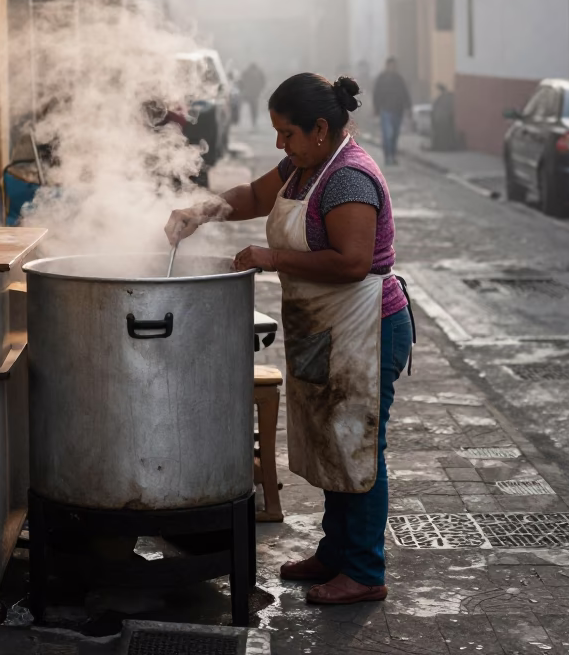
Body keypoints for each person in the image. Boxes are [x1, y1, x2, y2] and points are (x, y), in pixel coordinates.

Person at [166, 73, 413, 606]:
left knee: (358, 446)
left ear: (320, 129)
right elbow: (256, 195)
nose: (280, 143)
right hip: (322, 327)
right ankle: (336, 552)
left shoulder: (348, 177)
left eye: (288, 133)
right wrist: (201, 211)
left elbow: (352, 262)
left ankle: (365, 571)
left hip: (366, 330)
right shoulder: (304, 167)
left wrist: (270, 258)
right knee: (329, 437)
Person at [373, 57, 412, 165]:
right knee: (387, 134)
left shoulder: (399, 79)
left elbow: (405, 93)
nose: (392, 68)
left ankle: (393, 155)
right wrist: (376, 109)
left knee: (395, 134)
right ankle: (388, 156)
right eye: (390, 65)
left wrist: (408, 107)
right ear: (387, 66)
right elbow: (376, 94)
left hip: (398, 110)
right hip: (385, 110)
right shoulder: (381, 79)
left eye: (394, 66)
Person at [239, 62, 266, 127]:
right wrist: (260, 89)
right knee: (254, 107)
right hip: (255, 93)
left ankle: (243, 121)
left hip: (248, 92)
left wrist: (242, 89)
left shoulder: (246, 72)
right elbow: (263, 81)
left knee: (245, 107)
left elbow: (241, 81)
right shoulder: (259, 72)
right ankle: (254, 121)